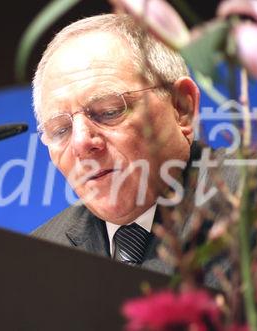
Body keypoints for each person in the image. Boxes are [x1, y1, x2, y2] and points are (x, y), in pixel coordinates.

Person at [31, 13, 232, 286]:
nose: (81, 143)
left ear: (181, 108)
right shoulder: (37, 257)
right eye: (60, 130)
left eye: (109, 111)